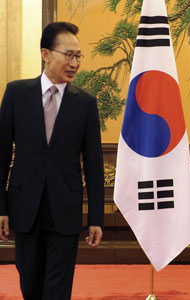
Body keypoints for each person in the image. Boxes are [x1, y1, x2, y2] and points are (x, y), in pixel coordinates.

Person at [0, 22, 104, 300]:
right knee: (30, 284)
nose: (75, 63)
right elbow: (1, 156)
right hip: (24, 208)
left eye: (79, 56)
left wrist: (96, 218)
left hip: (65, 210)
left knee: (58, 288)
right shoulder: (16, 94)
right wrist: (1, 209)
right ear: (46, 54)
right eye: (68, 55)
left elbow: (94, 165)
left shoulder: (85, 103)